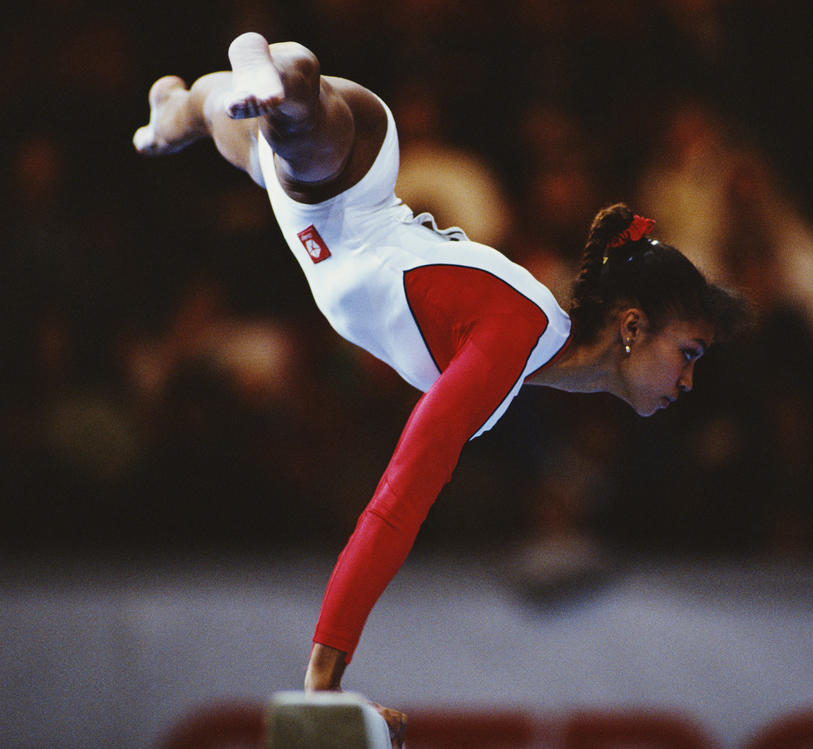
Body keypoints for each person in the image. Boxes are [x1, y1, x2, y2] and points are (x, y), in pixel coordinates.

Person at [134, 31, 748, 745]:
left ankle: (176, 107)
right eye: (690, 351)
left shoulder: (528, 359)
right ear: (635, 326)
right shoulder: (517, 334)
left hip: (316, 229)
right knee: (292, 109)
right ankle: (270, 63)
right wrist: (323, 680)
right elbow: (401, 494)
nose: (691, 378)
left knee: (223, 124)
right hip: (352, 185)